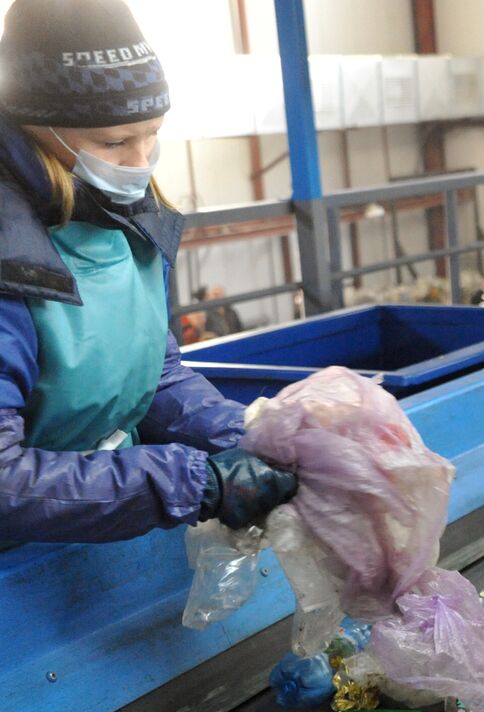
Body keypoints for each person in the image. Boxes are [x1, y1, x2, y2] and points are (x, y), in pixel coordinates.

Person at [0, 0, 296, 543]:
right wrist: (193, 483)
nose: (140, 162)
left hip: (94, 519)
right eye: (113, 142)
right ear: (33, 125)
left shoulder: (123, 217)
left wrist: (248, 435)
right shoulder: (10, 259)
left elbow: (149, 376)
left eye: (152, 134)